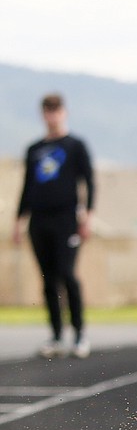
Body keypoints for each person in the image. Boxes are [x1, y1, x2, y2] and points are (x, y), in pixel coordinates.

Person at [12, 93, 95, 359]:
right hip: (39, 219)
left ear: (64, 112)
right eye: (47, 110)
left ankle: (80, 334)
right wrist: (18, 221)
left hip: (66, 219)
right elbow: (27, 187)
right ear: (42, 114)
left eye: (56, 110)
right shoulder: (34, 150)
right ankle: (57, 335)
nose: (52, 115)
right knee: (48, 280)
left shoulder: (75, 146)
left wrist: (88, 216)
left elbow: (89, 182)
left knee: (67, 275)